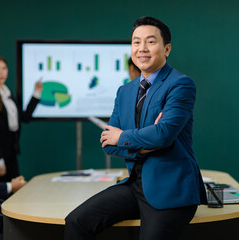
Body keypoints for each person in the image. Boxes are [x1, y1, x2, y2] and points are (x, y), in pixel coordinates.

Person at [65, 16, 207, 240]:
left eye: (150, 42)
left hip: (171, 189)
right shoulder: (125, 91)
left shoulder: (181, 84)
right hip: (134, 185)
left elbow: (163, 134)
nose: (142, 48)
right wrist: (145, 144)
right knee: (76, 222)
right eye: (136, 42)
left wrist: (125, 137)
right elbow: (108, 144)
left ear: (166, 48)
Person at [0, 55, 43, 182]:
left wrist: (36, 93)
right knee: (4, 189)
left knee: (15, 187)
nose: (1, 72)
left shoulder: (7, 92)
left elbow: (25, 117)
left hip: (11, 151)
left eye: (4, 68)